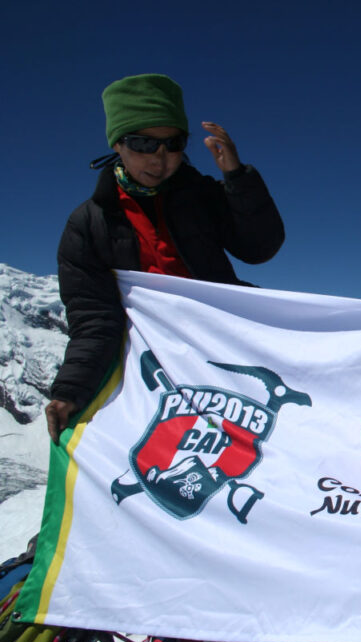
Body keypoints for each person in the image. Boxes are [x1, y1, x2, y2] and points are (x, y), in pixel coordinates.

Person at [45, 73, 285, 443]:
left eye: (173, 144)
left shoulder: (202, 195)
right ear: (118, 144)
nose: (160, 158)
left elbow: (260, 248)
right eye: (143, 143)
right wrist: (70, 392)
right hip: (154, 365)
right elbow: (95, 317)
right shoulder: (89, 224)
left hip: (225, 346)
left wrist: (237, 179)